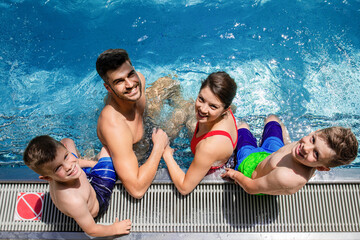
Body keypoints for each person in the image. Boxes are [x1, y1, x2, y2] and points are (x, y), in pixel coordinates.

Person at [96, 49, 170, 199]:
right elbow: (136, 190)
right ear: (108, 88)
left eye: (130, 74)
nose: (130, 84)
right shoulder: (114, 125)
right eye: (119, 81)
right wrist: (158, 146)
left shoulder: (139, 81)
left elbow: (134, 82)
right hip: (136, 149)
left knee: (169, 83)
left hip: (144, 124)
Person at [221, 115, 359, 195]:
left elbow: (251, 187)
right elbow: (303, 147)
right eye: (313, 140)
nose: (306, 148)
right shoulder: (302, 149)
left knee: (242, 126)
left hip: (250, 166)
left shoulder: (287, 177)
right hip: (272, 152)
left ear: (322, 167)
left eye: (316, 154)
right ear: (314, 132)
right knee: (272, 119)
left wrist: (234, 174)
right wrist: (286, 142)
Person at [23, 135, 131, 237]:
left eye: (66, 156)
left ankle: (90, 163)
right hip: (99, 195)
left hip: (78, 179)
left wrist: (91, 164)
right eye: (58, 168)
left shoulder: (63, 171)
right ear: (47, 178)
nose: (68, 166)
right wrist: (115, 229)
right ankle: (95, 163)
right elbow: (92, 230)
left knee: (67, 141)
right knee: (110, 148)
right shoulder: (74, 200)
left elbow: (66, 158)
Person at [162, 71, 238, 195]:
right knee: (181, 111)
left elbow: (184, 188)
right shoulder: (222, 113)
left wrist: (166, 154)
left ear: (226, 110)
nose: (202, 109)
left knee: (172, 123)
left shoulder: (209, 147)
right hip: (207, 134)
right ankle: (175, 96)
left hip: (209, 152)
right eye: (201, 99)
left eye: (213, 106)